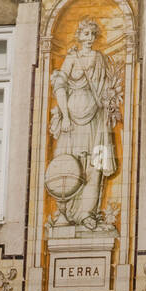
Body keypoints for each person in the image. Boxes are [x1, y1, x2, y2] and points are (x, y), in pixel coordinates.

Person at [49, 17, 122, 229]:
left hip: (96, 119)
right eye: (85, 34)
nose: (89, 38)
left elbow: (107, 87)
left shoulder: (100, 58)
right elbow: (59, 87)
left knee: (95, 165)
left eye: (92, 34)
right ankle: (67, 212)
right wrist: (65, 116)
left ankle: (87, 213)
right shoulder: (71, 59)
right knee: (71, 163)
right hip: (73, 120)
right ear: (79, 36)